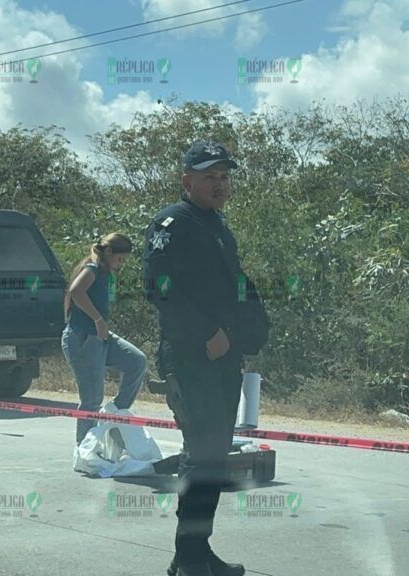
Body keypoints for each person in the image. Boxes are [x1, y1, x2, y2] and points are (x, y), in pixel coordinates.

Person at [144, 140, 268, 576]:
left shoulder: (215, 224)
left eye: (224, 177)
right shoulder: (173, 222)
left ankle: (196, 554)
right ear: (187, 181)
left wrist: (248, 328)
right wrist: (206, 335)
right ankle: (189, 558)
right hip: (190, 356)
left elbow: (233, 284)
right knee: (201, 454)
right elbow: (158, 289)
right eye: (210, 177)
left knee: (213, 454)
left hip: (222, 355)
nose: (220, 184)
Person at [61, 233, 147, 446]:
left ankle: (115, 413)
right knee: (91, 400)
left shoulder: (105, 272)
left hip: (101, 338)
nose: (121, 263)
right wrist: (98, 320)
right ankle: (85, 449)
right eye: (120, 258)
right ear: (109, 252)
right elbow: (76, 291)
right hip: (83, 339)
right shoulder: (92, 269)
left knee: (136, 361)